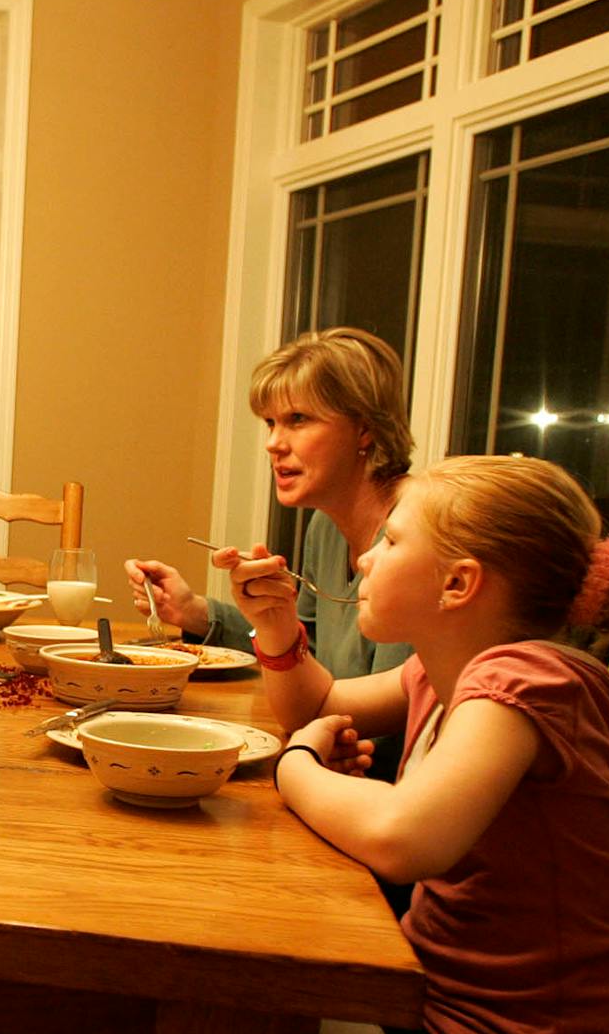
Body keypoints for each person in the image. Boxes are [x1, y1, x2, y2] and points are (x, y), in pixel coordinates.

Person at [76, 454, 609, 1034]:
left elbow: (400, 838)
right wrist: (277, 631)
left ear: (459, 582)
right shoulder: (444, 667)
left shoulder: (525, 681)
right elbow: (317, 700)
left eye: (390, 541)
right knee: (163, 1031)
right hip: (454, 1015)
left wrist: (301, 770)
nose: (364, 558)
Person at [125, 327, 415, 772]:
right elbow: (304, 646)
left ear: (365, 429)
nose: (274, 443)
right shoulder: (326, 525)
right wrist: (195, 611)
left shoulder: (418, 531)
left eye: (299, 419)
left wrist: (310, 735)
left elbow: (383, 719)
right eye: (270, 422)